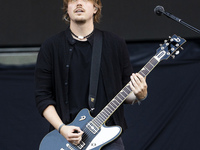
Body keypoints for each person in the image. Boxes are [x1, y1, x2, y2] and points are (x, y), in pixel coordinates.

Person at [35, 0, 148, 149]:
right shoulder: (51, 46)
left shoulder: (115, 44)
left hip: (107, 139)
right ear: (67, 9)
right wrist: (62, 128)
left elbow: (126, 94)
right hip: (65, 138)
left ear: (95, 8)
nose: (79, 4)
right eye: (73, 0)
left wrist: (141, 94)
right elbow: (43, 97)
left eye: (85, 0)